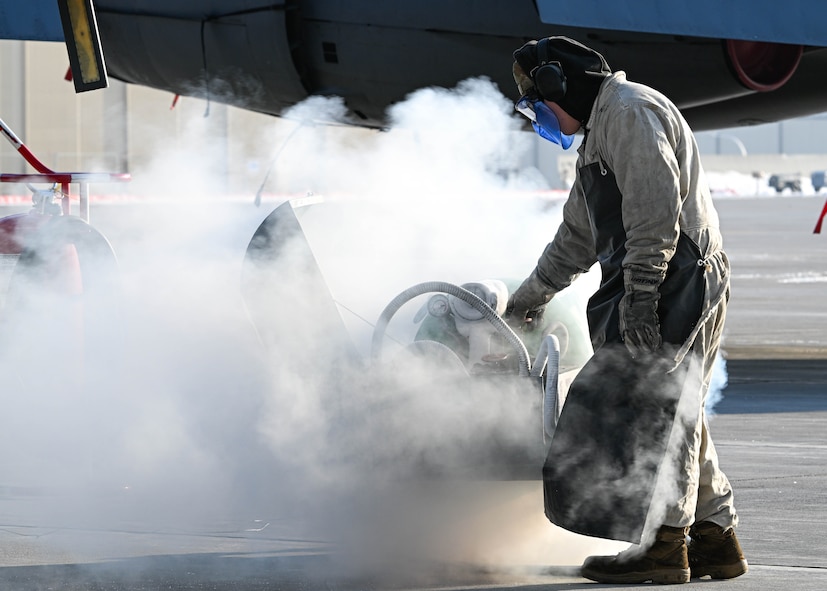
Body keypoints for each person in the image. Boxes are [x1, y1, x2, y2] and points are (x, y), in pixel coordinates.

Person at [505, 36, 748, 584]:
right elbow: (576, 236)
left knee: (660, 410)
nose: (538, 120)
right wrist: (529, 297)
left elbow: (654, 214)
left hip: (676, 278)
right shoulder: (598, 134)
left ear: (557, 85)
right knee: (680, 406)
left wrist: (641, 297)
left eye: (537, 106)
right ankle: (715, 538)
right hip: (657, 280)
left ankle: (664, 547)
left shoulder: (630, 113)